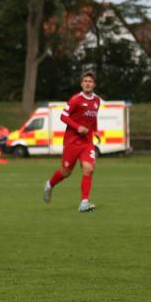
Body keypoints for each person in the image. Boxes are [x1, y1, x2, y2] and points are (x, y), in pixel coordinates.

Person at [42, 71, 101, 212]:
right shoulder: (76, 99)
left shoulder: (97, 101)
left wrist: (96, 130)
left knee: (89, 168)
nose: (87, 83)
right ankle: (49, 185)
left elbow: (93, 118)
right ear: (82, 84)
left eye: (90, 81)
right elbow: (63, 116)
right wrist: (77, 127)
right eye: (85, 81)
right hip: (72, 142)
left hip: (87, 142)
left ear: (94, 85)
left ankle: (84, 202)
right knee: (65, 172)